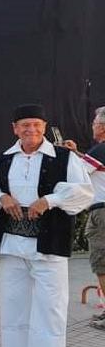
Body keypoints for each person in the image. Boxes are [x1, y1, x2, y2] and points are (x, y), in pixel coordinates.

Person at [0, 104, 93, 347]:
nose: (30, 130)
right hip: (12, 243)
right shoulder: (2, 159)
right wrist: (2, 197)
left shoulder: (64, 157)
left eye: (35, 124)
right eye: (24, 125)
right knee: (14, 303)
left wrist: (50, 200)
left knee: (50, 307)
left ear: (44, 126)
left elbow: (83, 191)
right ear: (15, 128)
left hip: (49, 244)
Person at [68, 106, 105, 327]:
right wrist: (78, 154)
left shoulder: (100, 150)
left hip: (102, 212)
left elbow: (76, 175)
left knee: (102, 263)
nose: (92, 126)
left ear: (102, 127)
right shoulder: (98, 153)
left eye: (94, 123)